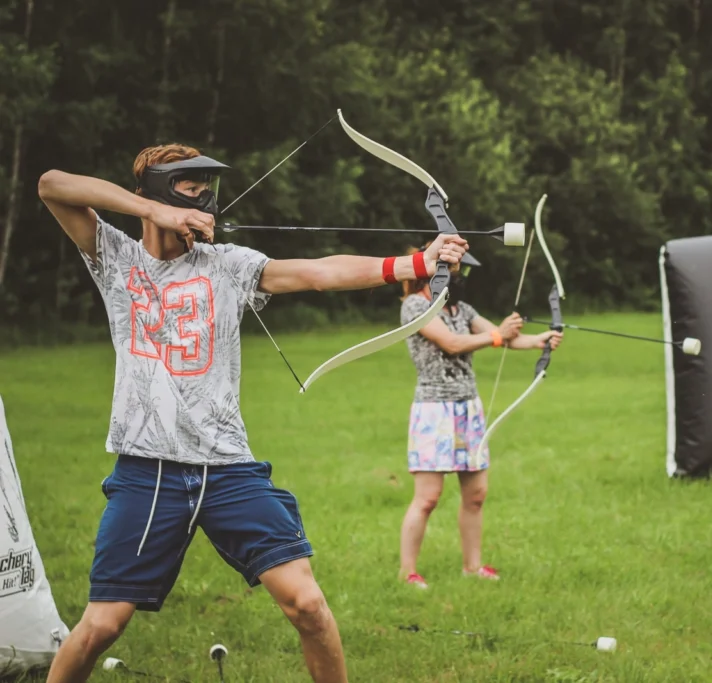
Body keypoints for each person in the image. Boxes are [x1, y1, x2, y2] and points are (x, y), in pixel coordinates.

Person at [37, 143, 470, 683]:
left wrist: (415, 263)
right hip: (148, 472)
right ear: (155, 196)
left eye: (206, 193)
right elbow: (52, 183)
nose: (205, 203)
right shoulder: (115, 257)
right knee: (101, 626)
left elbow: (318, 273)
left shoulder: (230, 265)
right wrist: (154, 211)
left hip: (228, 471)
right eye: (190, 192)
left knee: (308, 606)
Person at [397, 247, 563, 589]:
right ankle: (407, 572)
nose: (460, 278)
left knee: (476, 495)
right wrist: (499, 334)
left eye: (462, 272)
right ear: (435, 270)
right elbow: (454, 343)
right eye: (455, 271)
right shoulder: (414, 305)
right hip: (434, 410)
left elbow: (500, 337)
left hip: (467, 409)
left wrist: (537, 341)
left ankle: (472, 568)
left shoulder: (462, 308)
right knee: (427, 498)